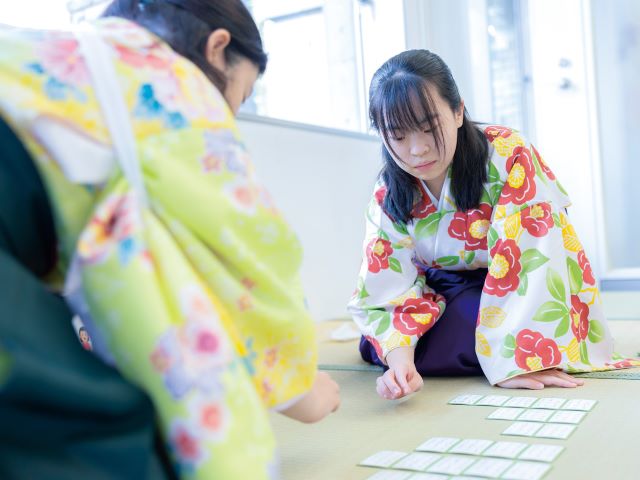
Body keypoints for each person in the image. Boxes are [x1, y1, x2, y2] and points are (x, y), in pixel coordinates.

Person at [0, 0, 339, 478]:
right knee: (101, 435)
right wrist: (300, 385)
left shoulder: (69, 54)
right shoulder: (168, 80)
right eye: (237, 98)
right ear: (216, 49)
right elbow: (255, 257)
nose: (228, 121)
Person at [348, 49, 638, 400]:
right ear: (382, 134)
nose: (417, 149)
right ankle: (450, 354)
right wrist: (399, 361)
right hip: (440, 292)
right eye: (398, 135)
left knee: (478, 324)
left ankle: (505, 350)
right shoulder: (388, 191)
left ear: (457, 112)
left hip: (513, 282)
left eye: (428, 128)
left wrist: (519, 358)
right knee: (379, 344)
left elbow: (533, 254)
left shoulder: (507, 153)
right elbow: (386, 287)